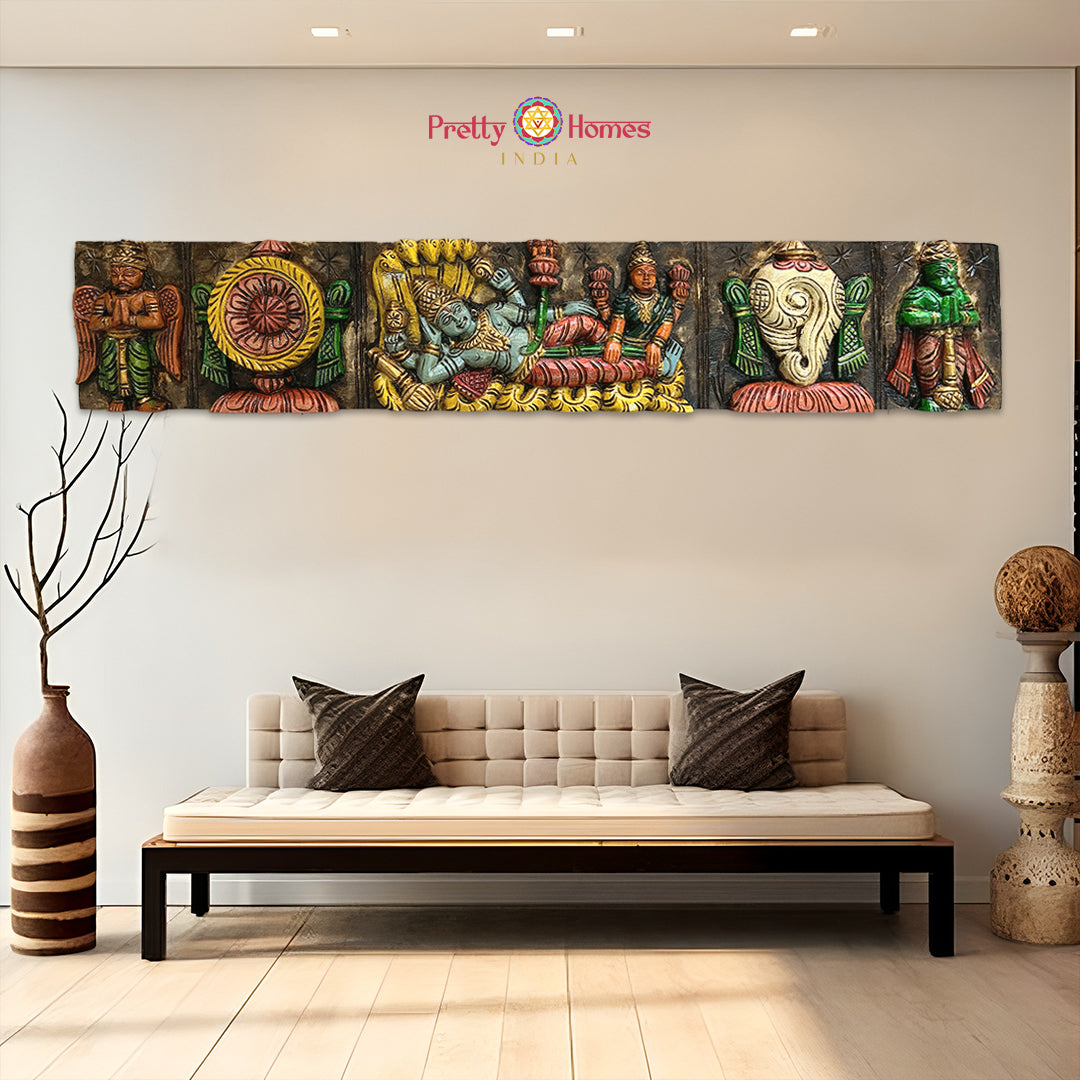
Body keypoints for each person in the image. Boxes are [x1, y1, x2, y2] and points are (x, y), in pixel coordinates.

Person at [886, 241, 994, 411]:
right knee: (928, 364)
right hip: (930, 337)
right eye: (941, 274)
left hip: (955, 338)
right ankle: (928, 396)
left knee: (959, 365)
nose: (949, 281)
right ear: (926, 273)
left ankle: (954, 396)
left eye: (952, 275)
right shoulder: (920, 293)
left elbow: (973, 317)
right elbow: (907, 316)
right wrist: (935, 317)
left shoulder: (958, 294)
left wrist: (962, 317)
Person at [75, 240, 182, 410]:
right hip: (111, 342)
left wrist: (130, 320)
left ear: (142, 274)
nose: (120, 279)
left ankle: (144, 399)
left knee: (140, 369)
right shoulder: (105, 298)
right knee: (111, 370)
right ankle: (117, 399)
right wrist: (111, 322)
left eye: (129, 274)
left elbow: (157, 321)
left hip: (136, 342)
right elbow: (93, 324)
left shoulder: (146, 297)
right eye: (115, 274)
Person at [602, 241, 683, 378]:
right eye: (640, 273)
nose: (646, 278)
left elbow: (667, 324)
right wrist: (614, 341)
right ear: (631, 276)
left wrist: (656, 343)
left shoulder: (664, 301)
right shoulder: (625, 300)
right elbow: (618, 325)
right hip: (628, 350)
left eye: (651, 273)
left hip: (653, 352)